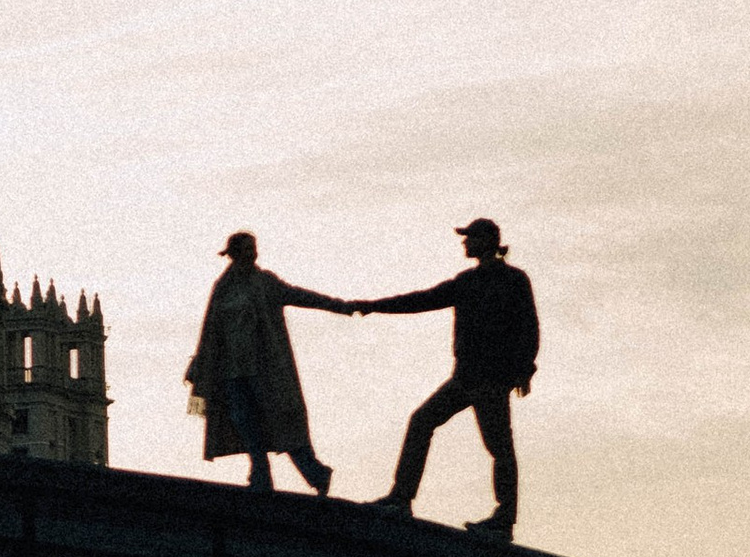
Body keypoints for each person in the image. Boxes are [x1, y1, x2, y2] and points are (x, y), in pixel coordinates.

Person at [354, 218, 540, 539]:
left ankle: (503, 520)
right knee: (422, 422)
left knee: (499, 447)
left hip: (492, 380)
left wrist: (524, 370)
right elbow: (420, 300)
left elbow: (529, 327)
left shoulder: (513, 279)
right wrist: (372, 306)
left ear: (487, 240)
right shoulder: (465, 281)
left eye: (470, 238)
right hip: (464, 378)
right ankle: (401, 498)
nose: (464, 243)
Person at [184, 232, 354, 496]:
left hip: (265, 370)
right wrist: (199, 362)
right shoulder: (223, 287)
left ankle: (315, 473)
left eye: (254, 248)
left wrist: (340, 306)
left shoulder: (265, 283)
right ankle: (261, 475)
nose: (253, 253)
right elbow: (211, 328)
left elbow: (301, 296)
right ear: (234, 253)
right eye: (248, 249)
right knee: (244, 422)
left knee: (283, 420)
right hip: (232, 370)